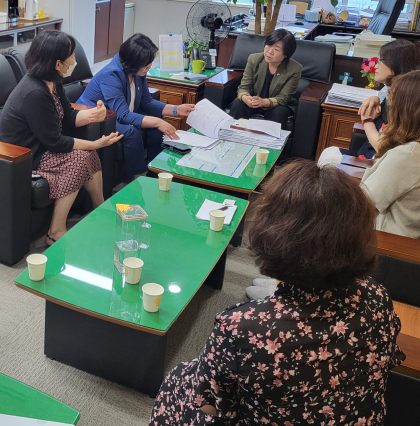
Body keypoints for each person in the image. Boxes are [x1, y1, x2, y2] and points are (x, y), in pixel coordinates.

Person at [151, 160, 404, 426]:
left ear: (272, 235)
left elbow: (215, 407)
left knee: (179, 379)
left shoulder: (240, 327)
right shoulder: (378, 298)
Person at [0, 31, 121, 245]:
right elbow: (55, 141)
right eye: (71, 57)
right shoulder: (34, 92)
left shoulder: (53, 82)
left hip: (43, 146)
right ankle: (55, 231)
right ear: (57, 63)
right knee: (80, 157)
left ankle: (101, 210)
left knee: (87, 155)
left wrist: (94, 115)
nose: (75, 61)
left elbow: (70, 116)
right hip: (24, 156)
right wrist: (94, 143)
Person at [78, 33, 195, 177]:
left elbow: (147, 102)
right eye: (146, 64)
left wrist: (177, 110)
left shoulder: (138, 71)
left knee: (156, 126)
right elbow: (122, 115)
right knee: (132, 131)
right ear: (132, 62)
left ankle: (156, 170)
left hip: (118, 113)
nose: (149, 66)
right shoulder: (111, 75)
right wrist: (157, 121)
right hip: (98, 119)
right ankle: (139, 177)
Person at [360, 70, 420, 238]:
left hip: (380, 240)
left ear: (408, 108)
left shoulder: (408, 156)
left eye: (393, 100)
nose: (390, 105)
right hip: (399, 235)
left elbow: (362, 203)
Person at [318, 39, 420, 167]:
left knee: (328, 159)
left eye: (381, 61)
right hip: (371, 155)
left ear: (396, 64)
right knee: (328, 153)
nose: (376, 65)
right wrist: (376, 98)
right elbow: (383, 95)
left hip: (379, 163)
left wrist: (367, 121)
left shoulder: (405, 101)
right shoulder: (392, 91)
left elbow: (383, 147)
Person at [226, 28, 302, 126]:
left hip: (276, 105)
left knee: (279, 112)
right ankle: (236, 136)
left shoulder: (295, 69)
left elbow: (284, 98)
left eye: (276, 49)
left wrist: (263, 102)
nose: (270, 51)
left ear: (286, 54)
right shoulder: (254, 59)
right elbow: (244, 87)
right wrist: (246, 98)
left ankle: (269, 141)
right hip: (253, 101)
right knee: (238, 103)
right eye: (269, 45)